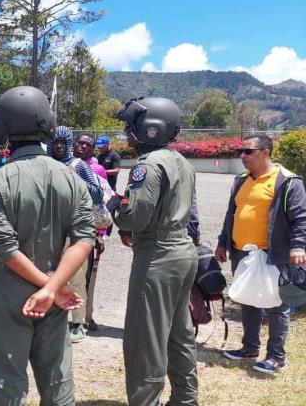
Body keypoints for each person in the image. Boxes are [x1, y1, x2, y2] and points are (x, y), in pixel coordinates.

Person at [0, 86, 96, 405]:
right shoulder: (72, 178)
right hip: (56, 293)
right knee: (57, 378)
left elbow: (5, 248)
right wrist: (54, 288)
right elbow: (85, 237)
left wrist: (47, 288)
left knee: (7, 380)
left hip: (11, 292)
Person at [107, 96, 198, 406]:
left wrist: (115, 207)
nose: (127, 135)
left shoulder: (148, 164)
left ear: (150, 130)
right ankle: (185, 399)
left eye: (131, 129)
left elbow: (136, 217)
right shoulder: (181, 162)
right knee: (179, 332)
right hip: (182, 250)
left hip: (157, 254)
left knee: (145, 338)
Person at [215, 135, 306, 374]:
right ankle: (249, 348)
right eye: (240, 151)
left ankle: (276, 357)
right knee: (247, 299)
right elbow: (231, 214)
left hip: (273, 255)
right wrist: (222, 242)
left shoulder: (287, 181)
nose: (242, 156)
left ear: (265, 153)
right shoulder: (240, 180)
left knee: (278, 305)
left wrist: (298, 246)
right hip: (242, 253)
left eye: (248, 151)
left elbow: (300, 219)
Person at [47, 126, 103, 343]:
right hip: (50, 229)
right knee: (50, 274)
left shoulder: (78, 166)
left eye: (63, 142)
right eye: (56, 142)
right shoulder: (46, 164)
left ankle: (78, 323)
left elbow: (97, 194)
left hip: (75, 230)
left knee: (77, 276)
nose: (59, 146)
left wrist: (73, 183)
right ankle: (53, 318)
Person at [73, 134, 109, 332]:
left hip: (90, 230)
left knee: (87, 277)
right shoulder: (63, 164)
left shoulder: (98, 170)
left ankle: (86, 316)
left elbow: (103, 203)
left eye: (89, 144)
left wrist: (101, 233)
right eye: (81, 142)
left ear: (93, 149)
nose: (84, 146)